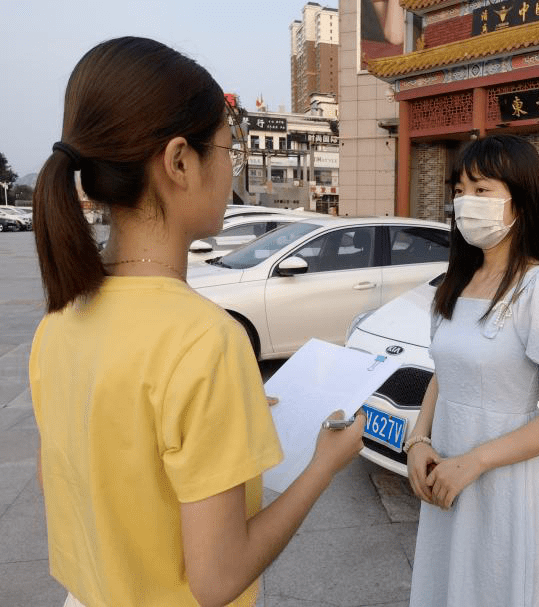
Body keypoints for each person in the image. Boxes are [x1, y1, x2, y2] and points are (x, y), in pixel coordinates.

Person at [30, 37, 365, 607]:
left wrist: (228, 418)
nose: (229, 166)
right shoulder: (203, 341)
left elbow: (78, 475)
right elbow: (217, 579)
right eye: (227, 148)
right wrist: (322, 466)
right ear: (180, 161)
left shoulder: (60, 320)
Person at [405, 134, 539, 606]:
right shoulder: (456, 282)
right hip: (445, 478)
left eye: (482, 190)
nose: (466, 202)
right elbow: (444, 373)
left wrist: (476, 461)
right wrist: (418, 441)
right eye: (459, 191)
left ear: (520, 201)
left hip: (505, 486)